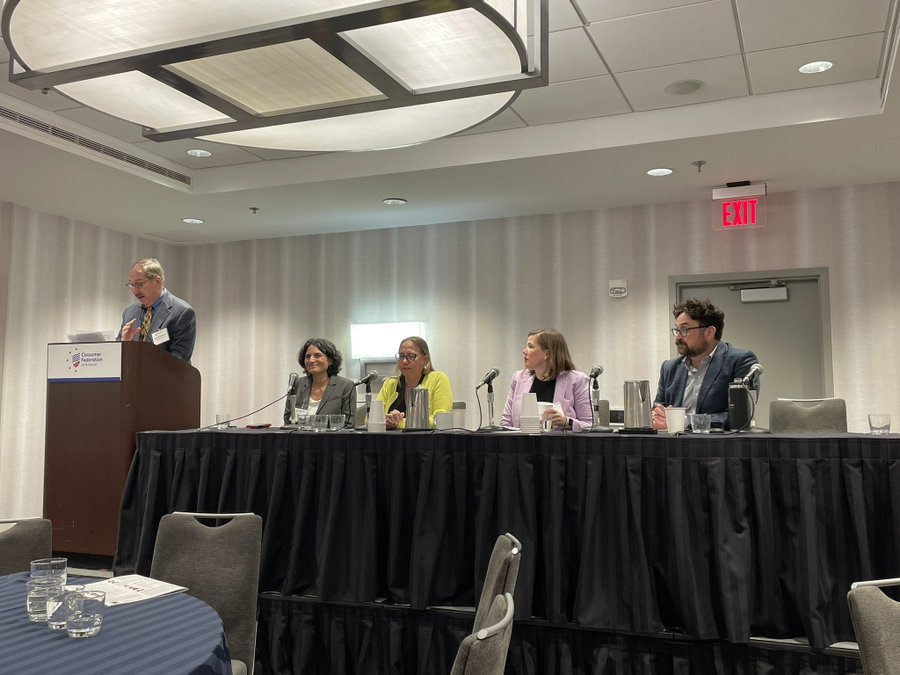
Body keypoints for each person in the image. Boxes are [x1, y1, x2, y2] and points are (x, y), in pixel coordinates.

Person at [652, 298, 758, 430]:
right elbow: (658, 410)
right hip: (673, 441)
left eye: (684, 329)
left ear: (709, 332)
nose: (678, 337)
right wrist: (656, 417)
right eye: (677, 330)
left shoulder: (739, 361)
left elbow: (739, 417)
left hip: (716, 442)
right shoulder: (669, 368)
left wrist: (684, 422)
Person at [501, 328, 592, 431]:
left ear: (547, 354)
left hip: (560, 441)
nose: (524, 351)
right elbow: (506, 423)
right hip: (522, 441)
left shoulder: (578, 381)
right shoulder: (518, 378)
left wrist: (566, 421)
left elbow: (590, 426)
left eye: (531, 347)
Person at [117, 258, 196, 363]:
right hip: (132, 373)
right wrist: (126, 344)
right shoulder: (129, 312)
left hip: (165, 373)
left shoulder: (183, 312)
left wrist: (144, 365)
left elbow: (178, 360)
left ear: (157, 281)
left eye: (139, 284)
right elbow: (117, 354)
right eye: (132, 285)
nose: (135, 291)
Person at [376, 336, 452, 430]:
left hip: (426, 438)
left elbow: (441, 420)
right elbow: (370, 418)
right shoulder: (390, 384)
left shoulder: (438, 379)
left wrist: (400, 423)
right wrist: (385, 421)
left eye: (411, 356)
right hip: (390, 438)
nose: (404, 361)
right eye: (401, 356)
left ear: (425, 360)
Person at [283, 338, 356, 425]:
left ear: (330, 360)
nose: (311, 360)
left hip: (331, 434)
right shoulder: (298, 384)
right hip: (298, 433)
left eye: (317, 355)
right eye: (307, 356)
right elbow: (287, 421)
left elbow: (349, 424)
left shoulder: (345, 386)